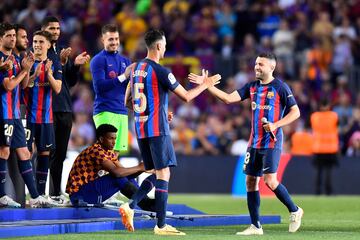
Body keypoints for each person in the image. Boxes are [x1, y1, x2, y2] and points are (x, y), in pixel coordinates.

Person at [189, 52, 303, 235]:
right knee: (251, 182)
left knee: (270, 181)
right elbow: (227, 98)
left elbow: (295, 112)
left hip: (272, 141)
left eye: (261, 64)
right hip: (254, 142)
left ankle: (295, 210)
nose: (257, 67)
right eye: (256, 63)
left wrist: (275, 125)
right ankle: (256, 226)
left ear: (272, 67)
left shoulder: (280, 87)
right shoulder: (252, 87)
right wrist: (206, 86)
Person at [120, 29, 221, 235]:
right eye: (164, 45)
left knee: (157, 172)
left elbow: (127, 101)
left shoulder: (136, 68)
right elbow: (186, 96)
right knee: (164, 173)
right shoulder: (161, 71)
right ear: (158, 46)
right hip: (157, 129)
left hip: (141, 128)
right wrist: (206, 84)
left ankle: (132, 207)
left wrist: (157, 111)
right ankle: (159, 224)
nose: (165, 48)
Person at [0, 22, 50, 208]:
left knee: (24, 152)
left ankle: (35, 197)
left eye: (14, 36)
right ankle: (1, 195)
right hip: (3, 112)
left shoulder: (13, 58)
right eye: (9, 36)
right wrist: (24, 71)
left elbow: (22, 85)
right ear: (1, 38)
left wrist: (29, 72)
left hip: (14, 113)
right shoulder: (1, 59)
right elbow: (9, 86)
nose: (13, 39)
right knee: (4, 151)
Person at [41, 16, 90, 203]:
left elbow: (68, 82)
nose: (56, 32)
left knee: (60, 154)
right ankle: (39, 192)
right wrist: (61, 64)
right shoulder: (40, 52)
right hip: (48, 108)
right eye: (52, 28)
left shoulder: (62, 50)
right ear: (43, 29)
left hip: (65, 108)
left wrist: (75, 65)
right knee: (47, 152)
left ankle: (54, 193)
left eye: (57, 28)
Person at [66, 124, 157, 210]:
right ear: (101, 139)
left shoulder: (108, 151)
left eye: (115, 138)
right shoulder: (96, 150)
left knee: (124, 177)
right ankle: (148, 205)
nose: (114, 142)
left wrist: (142, 168)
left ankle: (147, 203)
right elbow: (117, 173)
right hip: (80, 195)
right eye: (111, 138)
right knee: (117, 177)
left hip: (90, 190)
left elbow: (125, 172)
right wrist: (139, 167)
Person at [23, 30, 62, 198]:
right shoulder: (27, 61)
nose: (37, 44)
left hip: (46, 119)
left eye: (40, 42)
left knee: (44, 155)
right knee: (26, 153)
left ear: (48, 45)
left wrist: (49, 75)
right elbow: (23, 86)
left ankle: (40, 194)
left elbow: (58, 89)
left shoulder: (54, 63)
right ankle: (29, 194)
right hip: (29, 118)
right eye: (35, 41)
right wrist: (34, 74)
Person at [90, 24, 131, 156]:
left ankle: (108, 177)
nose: (114, 42)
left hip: (122, 112)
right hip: (105, 111)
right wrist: (123, 77)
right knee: (106, 155)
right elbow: (99, 87)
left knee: (115, 155)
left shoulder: (126, 61)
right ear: (103, 40)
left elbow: (129, 89)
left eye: (116, 39)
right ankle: (98, 177)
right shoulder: (98, 60)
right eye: (110, 39)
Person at [310, 98, 339, 195]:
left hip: (318, 148)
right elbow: (337, 127)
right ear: (328, 105)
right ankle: (328, 192)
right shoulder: (333, 116)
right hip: (331, 148)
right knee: (328, 172)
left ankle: (318, 191)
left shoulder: (314, 116)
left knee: (319, 172)